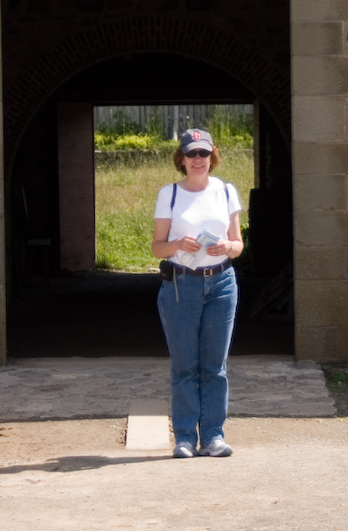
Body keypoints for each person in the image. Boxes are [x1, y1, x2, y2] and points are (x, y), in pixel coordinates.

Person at [152, 127, 244, 458]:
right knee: (184, 365)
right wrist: (177, 244)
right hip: (181, 285)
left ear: (212, 156)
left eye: (203, 153)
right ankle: (185, 438)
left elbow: (238, 245)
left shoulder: (226, 192)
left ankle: (214, 437)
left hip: (221, 283)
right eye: (191, 154)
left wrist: (226, 246)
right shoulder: (170, 195)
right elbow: (156, 247)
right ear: (182, 159)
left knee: (214, 366)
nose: (198, 160)